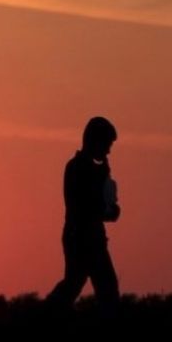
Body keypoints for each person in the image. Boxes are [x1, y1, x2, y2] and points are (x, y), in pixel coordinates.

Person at [45, 117, 121, 317]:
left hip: (90, 236)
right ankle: (44, 315)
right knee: (86, 285)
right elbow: (84, 206)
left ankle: (45, 315)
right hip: (81, 236)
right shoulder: (77, 168)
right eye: (106, 145)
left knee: (86, 284)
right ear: (95, 141)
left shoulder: (91, 170)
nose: (108, 151)